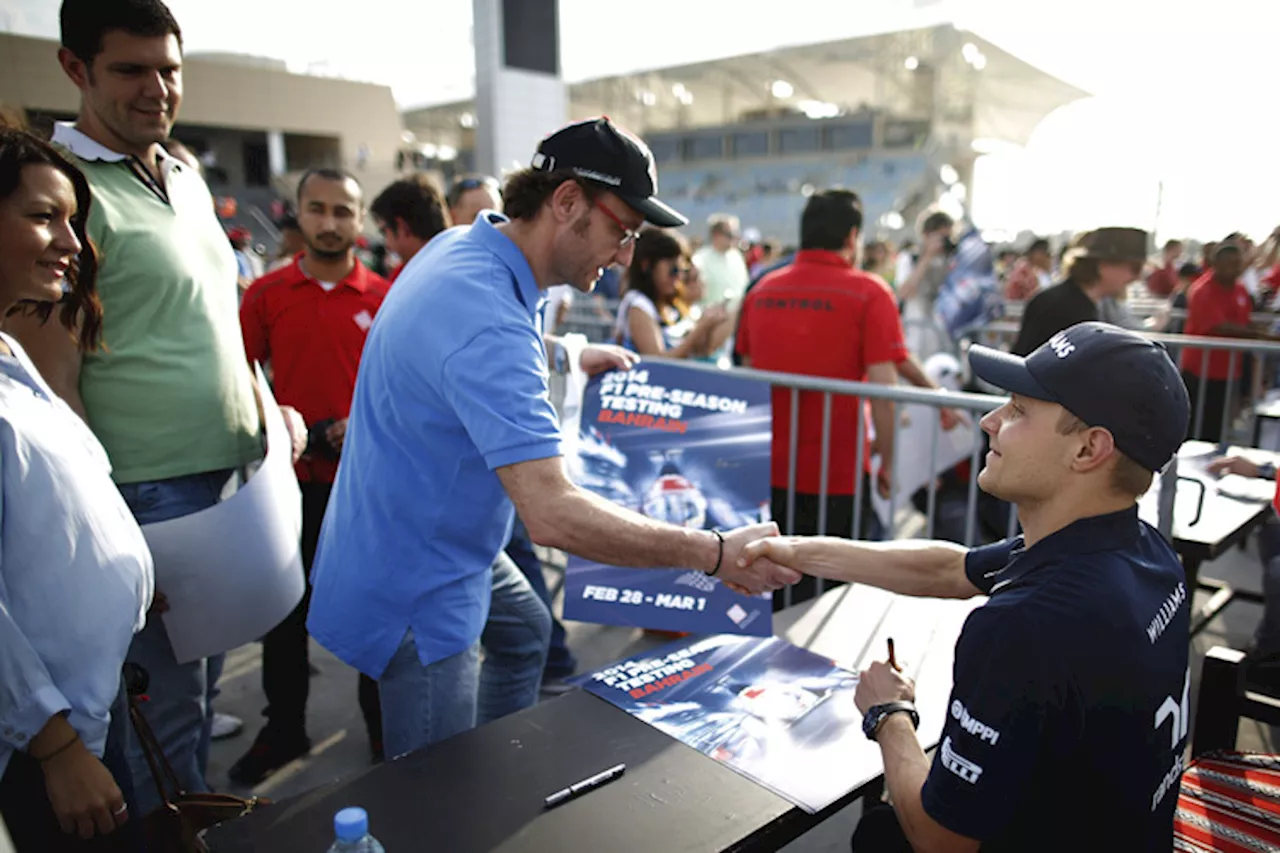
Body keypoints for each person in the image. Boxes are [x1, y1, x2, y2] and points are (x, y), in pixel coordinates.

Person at [306, 117, 796, 759]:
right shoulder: (487, 319)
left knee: (528, 631)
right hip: (421, 579)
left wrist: (565, 354)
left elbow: (463, 346)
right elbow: (553, 512)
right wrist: (713, 552)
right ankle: (468, 797)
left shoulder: (468, 248)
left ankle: (499, 774)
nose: (625, 256)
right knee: (430, 792)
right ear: (566, 202)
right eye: (621, 231)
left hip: (413, 532)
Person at [10, 0, 307, 815]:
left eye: (169, 69)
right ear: (76, 70)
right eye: (130, 70)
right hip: (145, 500)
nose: (157, 88)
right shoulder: (60, 190)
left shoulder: (182, 169)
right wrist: (106, 523)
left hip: (231, 493)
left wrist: (266, 409)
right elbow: (51, 375)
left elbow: (216, 319)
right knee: (164, 732)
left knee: (197, 716)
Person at [742, 321, 1193, 851]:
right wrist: (796, 551)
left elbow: (940, 839)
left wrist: (888, 714)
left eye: (1019, 410)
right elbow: (948, 569)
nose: (989, 420)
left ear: (1089, 449)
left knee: (882, 834)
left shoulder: (1026, 624)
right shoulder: (1142, 549)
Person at [0, 128, 151, 852]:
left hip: (89, 707)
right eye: (43, 217)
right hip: (47, 742)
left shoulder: (7, 349)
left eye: (73, 220)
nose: (73, 242)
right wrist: (55, 747)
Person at [231, 168, 392, 783]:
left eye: (343, 211)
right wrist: (287, 420)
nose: (330, 223)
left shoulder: (385, 297)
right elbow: (239, 379)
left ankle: (383, 731)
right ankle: (285, 729)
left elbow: (407, 390)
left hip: (367, 488)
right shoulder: (266, 295)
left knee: (373, 610)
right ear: (298, 213)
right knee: (284, 615)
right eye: (317, 209)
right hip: (289, 484)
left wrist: (364, 423)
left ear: (361, 219)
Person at [1180, 242, 1277, 442]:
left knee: (1218, 427)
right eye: (1230, 263)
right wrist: (1263, 336)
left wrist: (1262, 329)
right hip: (1200, 371)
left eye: (1238, 263)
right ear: (1216, 263)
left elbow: (1243, 319)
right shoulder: (1202, 290)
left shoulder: (1240, 289)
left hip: (1228, 371)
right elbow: (1222, 326)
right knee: (1195, 428)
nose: (1236, 268)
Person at [1011, 227, 1147, 356]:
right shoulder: (1063, 309)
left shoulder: (1074, 302)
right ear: (1103, 265)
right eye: (1135, 268)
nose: (1137, 277)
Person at [614, 228, 727, 357]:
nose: (678, 277)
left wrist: (708, 326)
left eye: (681, 270)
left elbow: (700, 351)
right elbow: (658, 362)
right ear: (647, 265)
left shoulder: (670, 303)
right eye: (673, 269)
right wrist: (699, 329)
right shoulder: (639, 306)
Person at [370, 172, 450, 282]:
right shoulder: (467, 264)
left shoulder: (406, 281)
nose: (387, 245)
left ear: (403, 227)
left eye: (384, 231)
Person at [691, 213, 749, 307]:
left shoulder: (737, 257)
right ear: (716, 234)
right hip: (709, 317)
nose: (735, 238)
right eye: (730, 234)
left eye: (736, 234)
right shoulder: (700, 259)